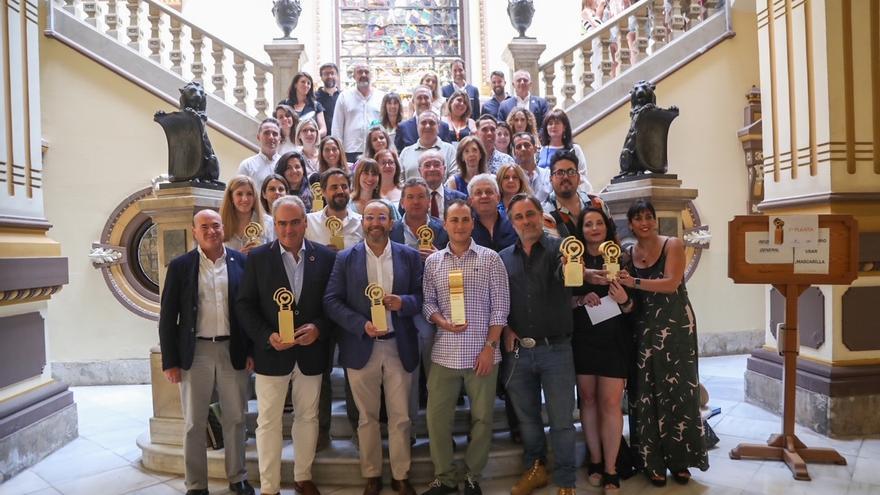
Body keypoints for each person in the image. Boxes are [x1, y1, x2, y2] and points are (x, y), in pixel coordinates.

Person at [236, 195, 336, 495]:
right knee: (267, 422)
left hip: (311, 353)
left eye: (294, 222)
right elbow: (244, 305)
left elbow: (333, 305)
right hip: (272, 354)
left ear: (305, 222)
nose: (289, 230)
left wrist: (319, 328)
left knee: (308, 416)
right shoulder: (257, 258)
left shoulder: (326, 257)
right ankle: (269, 486)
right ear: (274, 225)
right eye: (282, 223)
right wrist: (267, 336)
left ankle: (303, 476)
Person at [324, 200, 424, 495]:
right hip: (362, 346)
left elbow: (422, 296)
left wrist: (403, 303)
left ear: (391, 223)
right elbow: (331, 301)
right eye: (370, 217)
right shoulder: (345, 258)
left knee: (401, 416)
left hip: (398, 345)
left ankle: (400, 474)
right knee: (366, 418)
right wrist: (359, 324)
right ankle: (371, 473)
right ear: (362, 223)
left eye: (382, 217)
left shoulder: (409, 256)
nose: (376, 222)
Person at [158, 209, 254, 495]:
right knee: (193, 423)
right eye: (205, 227)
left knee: (236, 418)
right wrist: (170, 361)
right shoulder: (180, 266)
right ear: (194, 231)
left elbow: (249, 311)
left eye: (215, 225)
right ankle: (197, 485)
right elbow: (167, 317)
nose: (211, 231)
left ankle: (238, 478)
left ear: (223, 228)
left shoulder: (241, 262)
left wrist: (251, 350)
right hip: (195, 352)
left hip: (232, 350)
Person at [617, 199, 709, 486]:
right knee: (645, 393)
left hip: (674, 325)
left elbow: (671, 283)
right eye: (638, 218)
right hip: (643, 327)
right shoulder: (626, 254)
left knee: (678, 391)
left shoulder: (673, 245)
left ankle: (681, 461)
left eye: (648, 217)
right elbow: (627, 295)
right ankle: (651, 461)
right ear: (630, 223)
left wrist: (634, 283)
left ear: (654, 220)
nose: (644, 222)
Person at [421, 200, 509, 495]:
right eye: (453, 220)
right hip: (444, 353)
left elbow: (501, 308)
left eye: (465, 220)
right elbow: (428, 303)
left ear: (472, 223)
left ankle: (472, 475)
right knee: (436, 419)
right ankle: (444, 477)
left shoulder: (490, 259)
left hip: (482, 354)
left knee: (482, 418)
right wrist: (441, 321)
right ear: (444, 224)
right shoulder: (433, 262)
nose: (459, 226)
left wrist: (490, 347)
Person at [500, 194, 578, 495]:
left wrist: (571, 263)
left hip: (556, 350)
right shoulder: (503, 257)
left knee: (561, 422)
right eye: (518, 217)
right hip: (518, 353)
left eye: (530, 214)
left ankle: (566, 480)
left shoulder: (561, 249)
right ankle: (535, 469)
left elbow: (571, 279)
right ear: (512, 222)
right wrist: (505, 327)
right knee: (528, 421)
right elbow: (497, 302)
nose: (526, 221)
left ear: (539, 215)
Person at [573, 206, 634, 494]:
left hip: (613, 340)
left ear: (607, 227)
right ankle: (595, 461)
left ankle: (611, 469)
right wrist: (581, 297)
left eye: (598, 223)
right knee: (587, 400)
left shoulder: (622, 258)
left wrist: (623, 299)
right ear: (580, 229)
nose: (594, 228)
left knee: (610, 404)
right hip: (582, 338)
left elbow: (634, 307)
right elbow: (563, 300)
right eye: (588, 224)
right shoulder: (572, 259)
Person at [305, 168, 364, 445]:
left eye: (343, 186)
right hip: (318, 307)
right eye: (333, 187)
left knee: (354, 370)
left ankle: (359, 430)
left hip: (353, 306)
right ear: (323, 191)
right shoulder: (308, 223)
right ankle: (320, 433)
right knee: (321, 372)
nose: (339, 191)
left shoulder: (363, 223)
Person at [389, 177, 448, 437]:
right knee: (406, 373)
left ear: (429, 201)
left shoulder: (442, 229)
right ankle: (408, 431)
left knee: (434, 373)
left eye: (420, 197)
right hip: (399, 307)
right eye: (410, 197)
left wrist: (438, 257)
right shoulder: (391, 230)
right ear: (402, 202)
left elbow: (456, 267)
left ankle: (439, 431)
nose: (415, 201)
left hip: (433, 306)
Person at [541, 150, 607, 238]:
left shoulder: (596, 203)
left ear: (578, 177)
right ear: (551, 179)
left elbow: (613, 238)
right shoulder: (544, 212)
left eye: (571, 172)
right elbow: (554, 249)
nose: (566, 177)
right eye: (559, 173)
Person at [332, 63, 384, 163]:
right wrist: (337, 151)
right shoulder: (344, 96)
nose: (363, 75)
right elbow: (337, 127)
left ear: (371, 76)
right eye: (360, 72)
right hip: (351, 151)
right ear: (354, 76)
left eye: (366, 72)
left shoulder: (381, 97)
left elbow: (385, 125)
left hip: (376, 149)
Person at [538, 109, 592, 193]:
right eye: (550, 123)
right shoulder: (540, 151)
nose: (553, 126)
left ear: (564, 127)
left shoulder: (574, 149)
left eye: (557, 123)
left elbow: (582, 174)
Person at [220, 175, 274, 254]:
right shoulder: (219, 224)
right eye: (239, 194)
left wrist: (261, 253)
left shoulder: (268, 222)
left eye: (249, 194)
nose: (245, 199)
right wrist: (239, 256)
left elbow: (275, 256)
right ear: (231, 197)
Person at [399, 111, 458, 182]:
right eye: (423, 123)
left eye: (432, 123)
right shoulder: (406, 152)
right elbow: (400, 180)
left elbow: (454, 178)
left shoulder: (450, 150)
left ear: (438, 127)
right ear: (417, 127)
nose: (427, 126)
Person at [468, 173, 517, 253]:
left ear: (498, 198)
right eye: (478, 193)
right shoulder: (466, 227)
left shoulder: (513, 222)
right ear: (471, 201)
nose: (484, 196)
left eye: (489, 192)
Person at [411, 151, 466, 221]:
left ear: (444, 169)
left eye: (437, 165)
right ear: (419, 171)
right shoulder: (411, 199)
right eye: (427, 165)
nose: (432, 169)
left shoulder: (460, 198)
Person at [395, 86, 453, 151]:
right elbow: (398, 155)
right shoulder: (403, 128)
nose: (423, 101)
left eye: (426, 98)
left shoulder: (443, 127)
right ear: (413, 102)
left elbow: (448, 152)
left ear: (431, 101)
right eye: (419, 98)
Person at [279, 72, 327, 138]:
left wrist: (310, 136)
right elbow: (278, 125)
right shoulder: (284, 104)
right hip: (289, 144)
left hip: (310, 145)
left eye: (308, 83)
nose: (306, 85)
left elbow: (323, 130)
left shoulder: (316, 106)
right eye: (303, 82)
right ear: (295, 84)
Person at [237, 118, 281, 190]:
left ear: (279, 139)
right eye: (266, 133)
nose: (271, 137)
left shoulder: (286, 164)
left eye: (275, 134)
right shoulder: (247, 165)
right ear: (258, 137)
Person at [512, 132, 551, 203]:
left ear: (535, 149)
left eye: (527, 145)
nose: (523, 149)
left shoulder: (548, 174)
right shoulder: (512, 178)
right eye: (518, 147)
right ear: (514, 153)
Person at [316, 63, 340, 135]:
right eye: (326, 74)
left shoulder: (343, 97)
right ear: (321, 77)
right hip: (321, 140)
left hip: (339, 140)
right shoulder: (314, 97)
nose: (329, 76)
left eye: (332, 73)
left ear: (337, 76)